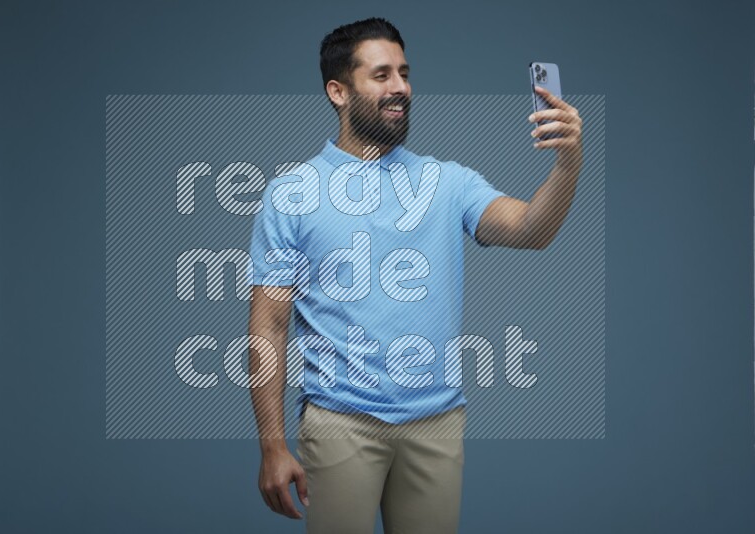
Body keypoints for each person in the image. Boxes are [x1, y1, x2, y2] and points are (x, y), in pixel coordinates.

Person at [248, 17, 583, 533]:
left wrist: (566, 165)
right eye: (381, 75)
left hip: (438, 424)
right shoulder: (294, 194)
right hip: (340, 423)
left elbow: (531, 229)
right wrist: (272, 444)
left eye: (404, 73)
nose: (401, 87)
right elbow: (268, 326)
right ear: (338, 91)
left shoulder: (448, 182)